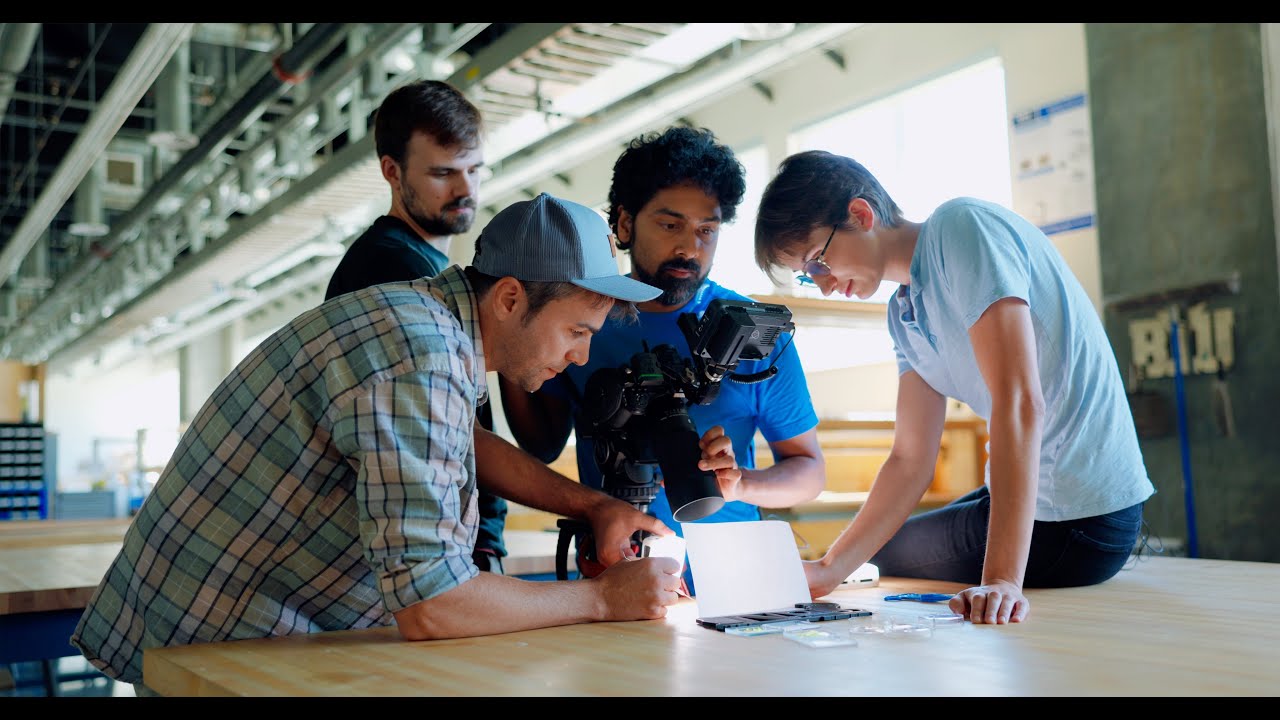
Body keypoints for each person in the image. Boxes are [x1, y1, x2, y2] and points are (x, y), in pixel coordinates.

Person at [70, 193, 689, 695]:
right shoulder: (420, 356)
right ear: (509, 298)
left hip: (247, 625)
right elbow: (433, 605)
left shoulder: (425, 323)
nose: (581, 355)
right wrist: (603, 599)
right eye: (576, 331)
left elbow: (463, 443)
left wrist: (592, 506)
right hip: (219, 639)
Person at [752, 150, 1156, 624]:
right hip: (1054, 510)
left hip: (1082, 519)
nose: (821, 285)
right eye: (807, 276)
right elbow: (910, 459)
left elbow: (1020, 401)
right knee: (879, 545)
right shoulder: (904, 315)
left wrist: (1003, 581)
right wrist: (828, 569)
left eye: (818, 262)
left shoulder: (961, 229)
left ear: (861, 215)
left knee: (891, 552)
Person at [501, 126, 825, 593]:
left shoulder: (752, 333)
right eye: (670, 225)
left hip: (736, 582)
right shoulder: (579, 318)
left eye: (706, 231)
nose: (690, 248)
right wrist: (516, 333)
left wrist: (741, 483)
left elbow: (809, 470)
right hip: (612, 576)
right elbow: (542, 445)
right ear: (625, 223)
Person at [323, 79, 511, 576]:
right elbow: (446, 436)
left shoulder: (425, 267)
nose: (465, 189)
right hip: (419, 556)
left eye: (474, 170)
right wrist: (484, 544)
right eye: (443, 173)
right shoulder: (389, 273)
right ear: (392, 171)